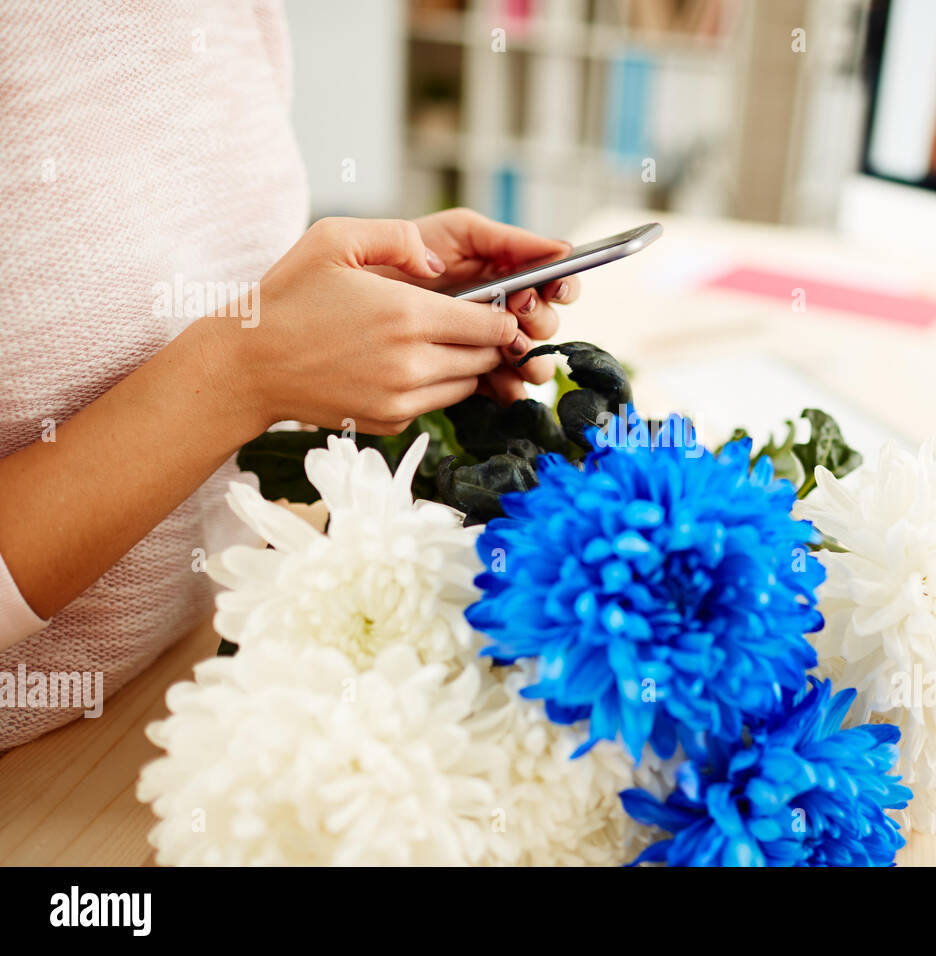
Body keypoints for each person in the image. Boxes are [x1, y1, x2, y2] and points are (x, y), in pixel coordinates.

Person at [0, 0, 575, 748]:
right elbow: (225, 365)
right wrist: (243, 374)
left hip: (206, 676)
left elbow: (190, 296)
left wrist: (353, 323)